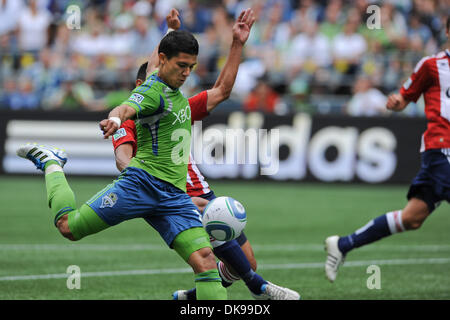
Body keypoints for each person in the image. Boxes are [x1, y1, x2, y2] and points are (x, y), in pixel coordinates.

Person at [17, 14, 233, 300]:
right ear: (165, 60)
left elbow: (157, 62)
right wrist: (117, 120)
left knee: (206, 262)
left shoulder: (168, 82)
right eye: (181, 66)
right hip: (140, 185)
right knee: (68, 227)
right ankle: (52, 163)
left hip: (174, 197)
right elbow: (126, 107)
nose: (186, 73)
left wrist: (171, 30)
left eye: (191, 67)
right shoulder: (152, 90)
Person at [113, 9, 300, 301]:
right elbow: (123, 160)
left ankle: (191, 297)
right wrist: (153, 188)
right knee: (209, 262)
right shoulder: (128, 119)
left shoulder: (179, 107)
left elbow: (223, 90)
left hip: (201, 190)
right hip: (167, 196)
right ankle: (260, 287)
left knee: (244, 263)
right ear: (141, 87)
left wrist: (237, 43)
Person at [324, 17, 450, 283]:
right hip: (442, 149)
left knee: (412, 217)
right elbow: (404, 98)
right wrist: (396, 101)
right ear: (447, 32)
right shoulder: (431, 65)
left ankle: (344, 244)